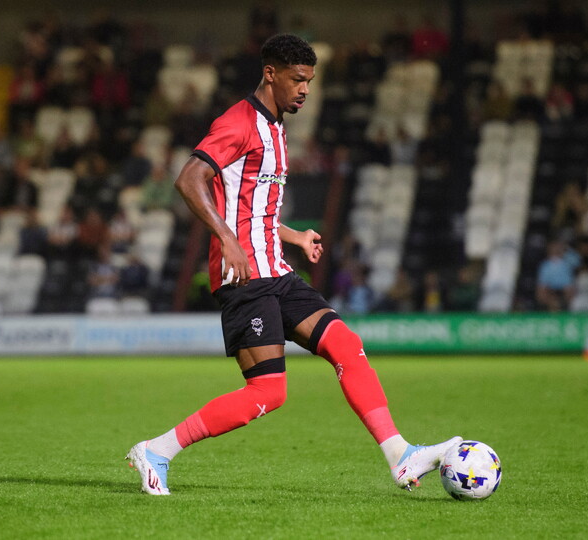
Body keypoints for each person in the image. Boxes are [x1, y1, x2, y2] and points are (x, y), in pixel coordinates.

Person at [126, 34, 460, 496]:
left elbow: (255, 209)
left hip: (276, 270)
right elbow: (189, 179)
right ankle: (157, 450)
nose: (305, 89)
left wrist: (293, 235)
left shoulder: (278, 128)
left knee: (346, 344)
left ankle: (400, 456)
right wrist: (227, 240)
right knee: (268, 393)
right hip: (243, 278)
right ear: (270, 73)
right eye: (298, 80)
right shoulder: (239, 122)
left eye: (310, 81)